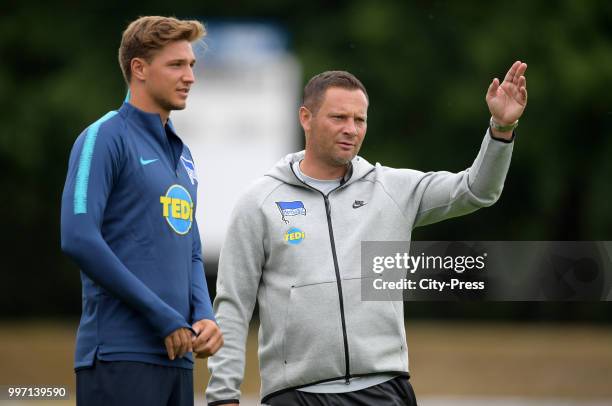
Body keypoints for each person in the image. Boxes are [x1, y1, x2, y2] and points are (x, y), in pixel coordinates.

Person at [205, 63, 527, 406]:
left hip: (383, 389)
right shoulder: (259, 202)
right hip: (295, 394)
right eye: (339, 118)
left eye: (359, 120)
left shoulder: (391, 189)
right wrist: (223, 395)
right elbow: (232, 306)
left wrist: (501, 128)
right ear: (305, 117)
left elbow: (476, 190)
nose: (351, 129)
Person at [61, 16, 223, 406]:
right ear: (139, 69)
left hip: (178, 358)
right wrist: (162, 316)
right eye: (176, 65)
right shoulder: (103, 137)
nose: (190, 77)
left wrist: (203, 313)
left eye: (192, 66)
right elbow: (78, 238)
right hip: (119, 356)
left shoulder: (182, 154)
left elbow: (192, 248)